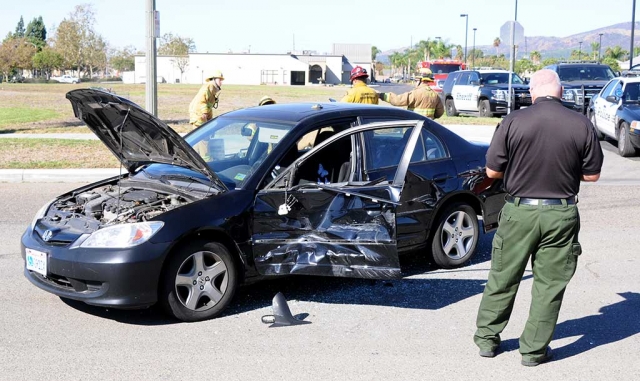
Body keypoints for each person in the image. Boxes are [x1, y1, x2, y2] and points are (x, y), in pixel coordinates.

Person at [473, 69, 604, 367]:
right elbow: (592, 175)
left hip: (519, 211)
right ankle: (533, 351)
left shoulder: (513, 121)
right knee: (549, 285)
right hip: (561, 213)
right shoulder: (581, 123)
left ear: (532, 92)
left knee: (503, 277)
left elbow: (492, 172)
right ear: (561, 92)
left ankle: (487, 339)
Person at [377, 68, 444, 119]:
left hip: (416, 125)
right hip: (427, 127)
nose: (414, 83)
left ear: (420, 80)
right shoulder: (435, 94)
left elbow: (397, 100)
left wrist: (381, 95)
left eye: (415, 80)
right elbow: (440, 113)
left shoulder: (415, 93)